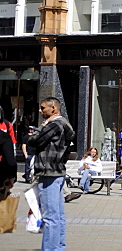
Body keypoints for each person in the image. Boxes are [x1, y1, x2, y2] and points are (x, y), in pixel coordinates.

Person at [26, 97, 75, 251]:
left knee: (51, 216)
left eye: (43, 108)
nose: (40, 111)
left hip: (48, 172)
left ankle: (50, 249)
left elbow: (33, 141)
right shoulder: (64, 123)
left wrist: (42, 126)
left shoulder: (53, 124)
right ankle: (59, 247)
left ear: (53, 108)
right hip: (58, 172)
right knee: (58, 216)